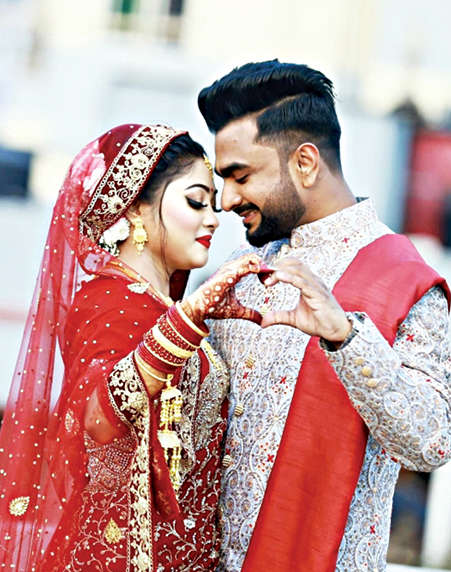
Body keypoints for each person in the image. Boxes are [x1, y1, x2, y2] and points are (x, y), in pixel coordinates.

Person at [198, 60, 451, 571]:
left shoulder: (404, 280)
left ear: (306, 163)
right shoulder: (238, 271)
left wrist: (345, 338)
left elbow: (431, 443)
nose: (226, 200)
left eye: (240, 176)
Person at [0, 123, 263, 571]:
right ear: (136, 207)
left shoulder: (166, 308)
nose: (213, 219)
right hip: (118, 554)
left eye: (213, 205)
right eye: (196, 201)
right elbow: (98, 418)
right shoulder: (107, 299)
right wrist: (186, 321)